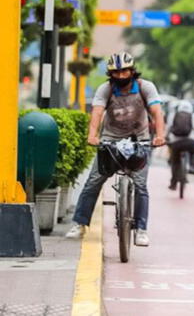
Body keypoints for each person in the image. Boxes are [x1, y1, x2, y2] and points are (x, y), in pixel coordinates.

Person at [65, 52, 165, 246]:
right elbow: (97, 112)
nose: (121, 76)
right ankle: (80, 224)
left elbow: (156, 112)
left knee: (141, 186)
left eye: (125, 71)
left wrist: (160, 135)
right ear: (110, 74)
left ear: (132, 71)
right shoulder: (106, 89)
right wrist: (92, 135)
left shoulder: (146, 87)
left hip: (139, 141)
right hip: (110, 141)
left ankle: (141, 229)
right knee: (94, 181)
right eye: (116, 72)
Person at [166, 100, 194, 190]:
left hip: (176, 143)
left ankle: (173, 184)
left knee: (175, 162)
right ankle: (192, 167)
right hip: (190, 142)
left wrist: (166, 138)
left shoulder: (173, 115)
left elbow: (168, 129)